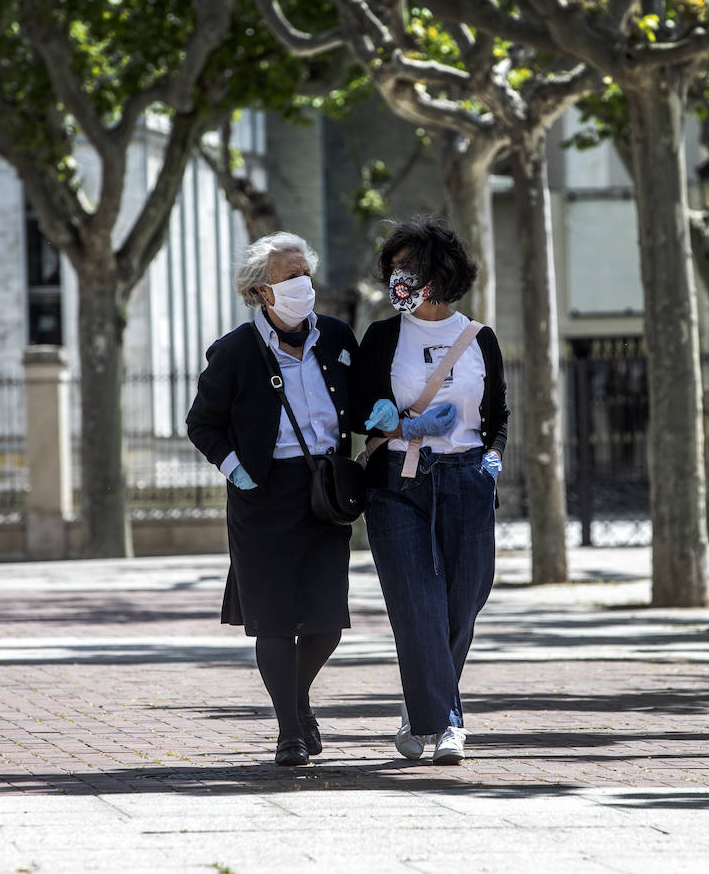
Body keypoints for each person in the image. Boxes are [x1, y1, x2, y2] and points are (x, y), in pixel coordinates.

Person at [186, 232, 359, 767]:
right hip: (261, 497)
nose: (303, 285)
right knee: (275, 621)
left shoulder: (335, 337)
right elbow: (202, 423)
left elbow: (362, 398)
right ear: (262, 291)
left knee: (327, 623)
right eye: (290, 277)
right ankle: (289, 731)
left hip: (322, 493)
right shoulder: (235, 350)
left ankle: (296, 698)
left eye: (306, 273)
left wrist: (375, 418)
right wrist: (235, 469)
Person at [353, 216, 508, 765]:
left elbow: (498, 416)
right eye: (394, 271)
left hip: (467, 479)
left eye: (410, 270)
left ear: (439, 276)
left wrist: (492, 457)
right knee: (417, 604)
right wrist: (401, 425)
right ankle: (445, 724)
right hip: (399, 482)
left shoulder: (478, 339)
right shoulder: (382, 337)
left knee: (464, 601)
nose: (399, 281)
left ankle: (422, 704)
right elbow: (359, 412)